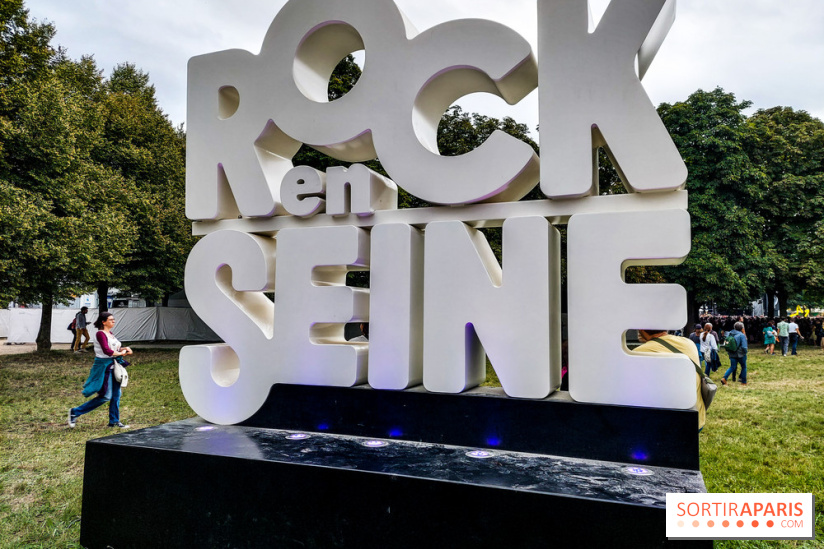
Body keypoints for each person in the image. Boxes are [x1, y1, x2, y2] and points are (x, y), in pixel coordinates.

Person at [68, 312, 133, 428]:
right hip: (103, 367)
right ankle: (75, 412)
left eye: (113, 319)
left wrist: (125, 349)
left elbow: (114, 348)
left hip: (113, 366)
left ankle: (114, 421)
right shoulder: (100, 334)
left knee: (116, 395)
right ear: (103, 322)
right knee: (105, 396)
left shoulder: (110, 334)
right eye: (111, 319)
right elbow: (107, 351)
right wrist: (122, 353)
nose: (113, 321)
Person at [634, 329, 705, 430]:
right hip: (696, 418)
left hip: (664, 426)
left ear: (641, 329)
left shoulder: (638, 353)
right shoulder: (688, 343)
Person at [721, 322, 748, 386]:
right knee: (744, 367)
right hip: (740, 354)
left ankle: (724, 378)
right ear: (742, 328)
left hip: (732, 353)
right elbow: (744, 346)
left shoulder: (729, 333)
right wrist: (745, 352)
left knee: (732, 367)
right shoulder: (741, 335)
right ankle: (743, 382)